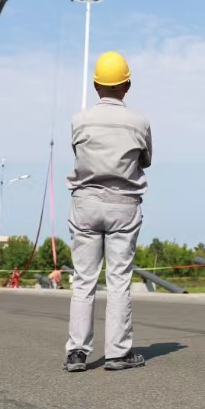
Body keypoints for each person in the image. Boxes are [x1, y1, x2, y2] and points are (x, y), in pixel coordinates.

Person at [63, 51, 152, 373]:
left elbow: (79, 153)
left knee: (83, 280)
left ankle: (77, 352)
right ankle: (117, 353)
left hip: (86, 202)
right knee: (118, 280)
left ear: (95, 85)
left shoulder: (79, 120)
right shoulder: (140, 122)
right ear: (126, 85)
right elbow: (145, 160)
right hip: (123, 204)